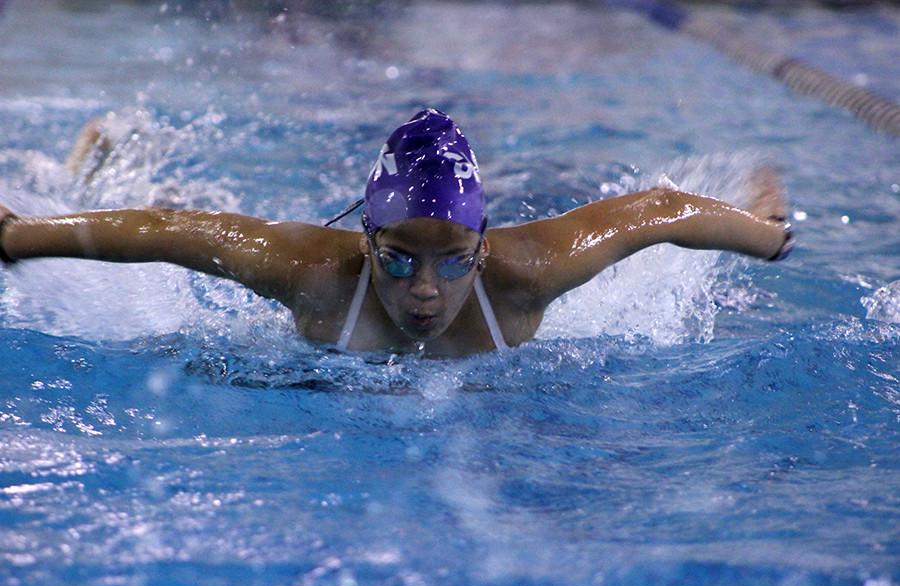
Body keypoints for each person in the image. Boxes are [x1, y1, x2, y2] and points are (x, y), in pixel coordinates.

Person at [0, 108, 792, 357]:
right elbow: (167, 231)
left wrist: (764, 235)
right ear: (365, 243)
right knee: (150, 202)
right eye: (399, 259)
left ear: (483, 247)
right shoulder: (313, 268)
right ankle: (97, 158)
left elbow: (650, 213)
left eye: (452, 264)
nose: (423, 290)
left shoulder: (525, 274)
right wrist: (19, 237)